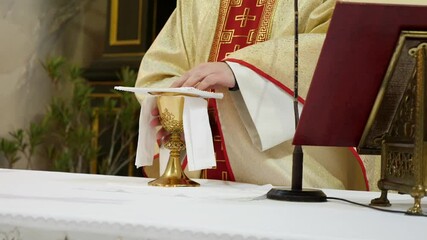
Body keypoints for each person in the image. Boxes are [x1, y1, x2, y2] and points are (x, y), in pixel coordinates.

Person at [135, 0, 370, 190]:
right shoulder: (197, 4)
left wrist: (241, 72)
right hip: (197, 180)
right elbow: (158, 71)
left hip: (287, 178)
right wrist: (179, 107)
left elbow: (341, 50)